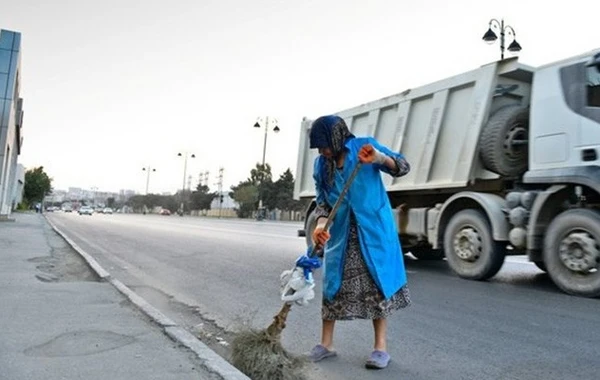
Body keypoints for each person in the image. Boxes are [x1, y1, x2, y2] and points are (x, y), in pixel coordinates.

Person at [307, 114, 411, 370]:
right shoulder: (322, 165)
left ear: (338, 137)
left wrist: (379, 158)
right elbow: (322, 202)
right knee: (332, 288)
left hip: (372, 232)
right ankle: (326, 344)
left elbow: (402, 166)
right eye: (319, 147)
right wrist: (321, 226)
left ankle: (380, 348)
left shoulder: (364, 146)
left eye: (325, 145)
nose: (322, 151)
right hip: (341, 235)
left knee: (376, 288)